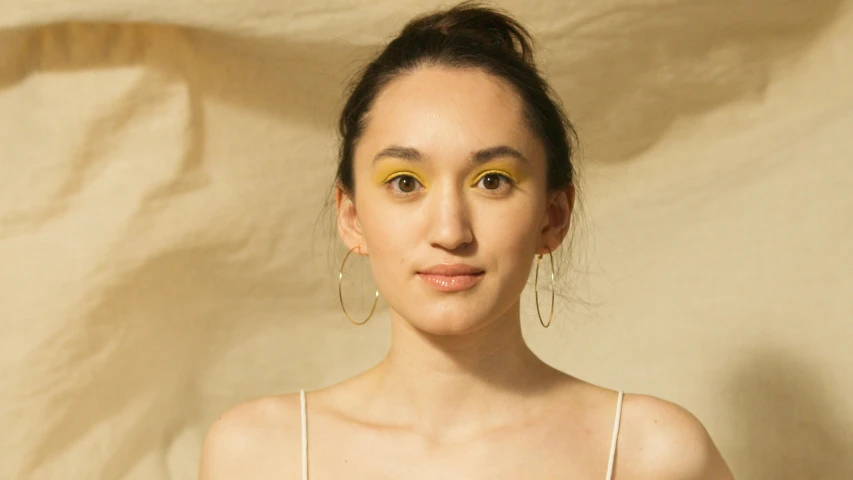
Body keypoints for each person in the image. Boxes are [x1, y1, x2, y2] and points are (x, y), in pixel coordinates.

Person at [199, 2, 734, 478]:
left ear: (554, 215)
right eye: (405, 183)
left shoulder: (653, 455)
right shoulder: (258, 456)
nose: (450, 231)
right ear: (352, 217)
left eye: (492, 181)